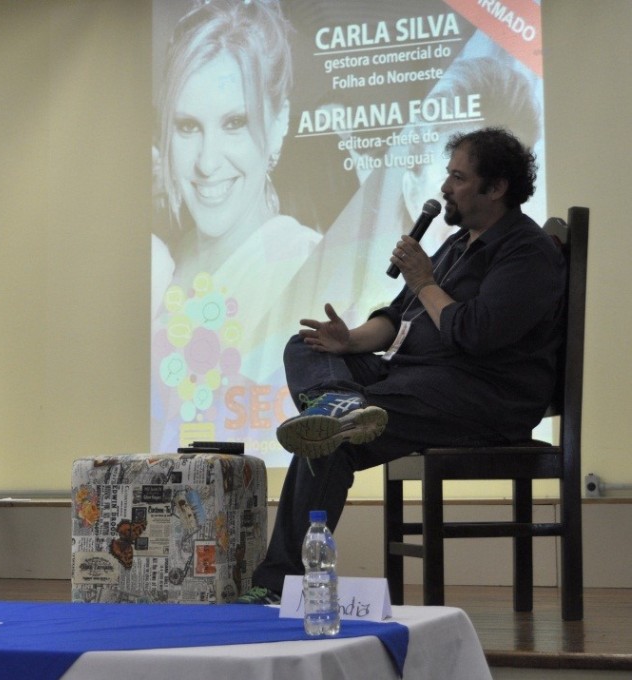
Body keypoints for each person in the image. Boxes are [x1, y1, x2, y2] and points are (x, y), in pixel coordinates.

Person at [238, 127, 565, 604]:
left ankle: (277, 586)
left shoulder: (527, 250)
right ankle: (340, 403)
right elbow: (396, 319)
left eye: (458, 177)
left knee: (330, 440)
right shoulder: (457, 244)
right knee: (306, 347)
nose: (445, 188)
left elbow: (473, 332)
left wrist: (424, 278)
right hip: (416, 378)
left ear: (496, 188)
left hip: (479, 396)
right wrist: (349, 341)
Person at [151, 0, 321, 452]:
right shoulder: (157, 266)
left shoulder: (308, 264)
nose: (207, 162)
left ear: (280, 121)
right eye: (187, 126)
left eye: (234, 123)